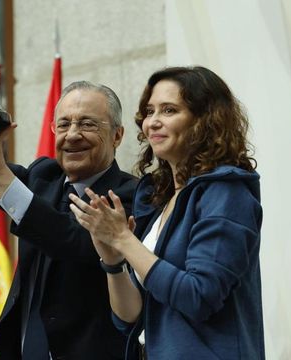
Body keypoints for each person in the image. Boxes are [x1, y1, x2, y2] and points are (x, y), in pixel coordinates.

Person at [0, 58, 137, 358]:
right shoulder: (44, 176)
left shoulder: (131, 196)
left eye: (88, 124)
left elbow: (71, 240)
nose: (73, 134)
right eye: (64, 124)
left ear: (117, 135)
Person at [69, 66, 264, 359]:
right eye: (149, 111)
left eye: (169, 110)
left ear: (205, 121)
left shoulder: (226, 192)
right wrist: (113, 261)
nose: (153, 123)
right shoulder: (161, 199)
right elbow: (130, 318)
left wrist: (124, 239)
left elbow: (198, 296)